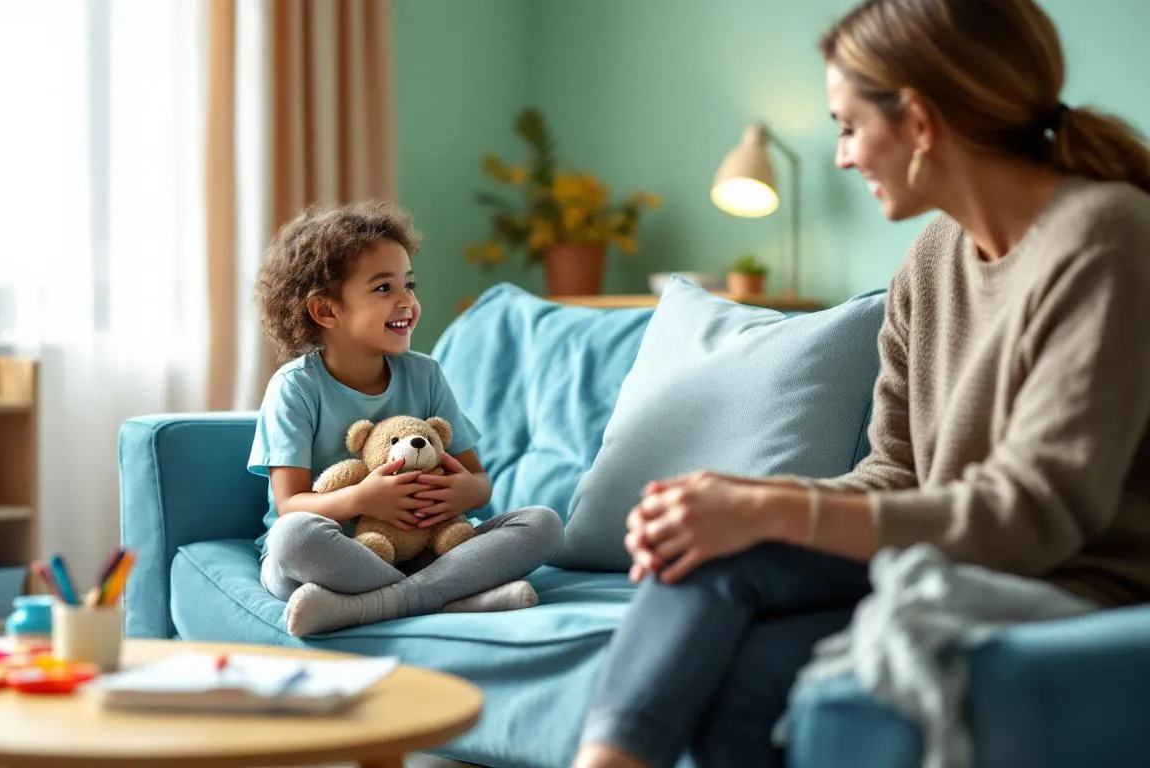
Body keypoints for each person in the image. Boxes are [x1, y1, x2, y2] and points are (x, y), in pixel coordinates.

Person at [572, 0, 1150, 765]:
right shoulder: (931, 256)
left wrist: (766, 506)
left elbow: (1033, 514)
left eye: (848, 126)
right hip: (941, 561)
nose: (843, 156)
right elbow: (894, 475)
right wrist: (724, 505)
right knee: (703, 557)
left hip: (1069, 588)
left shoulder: (1105, 235)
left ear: (915, 120)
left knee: (747, 667)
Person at [248, 201, 564, 638]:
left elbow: (479, 484)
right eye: (383, 289)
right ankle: (450, 599)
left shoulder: (425, 373)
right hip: (332, 557)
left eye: (409, 285)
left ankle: (382, 604)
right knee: (294, 539)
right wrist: (364, 500)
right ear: (325, 311)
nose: (407, 302)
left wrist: (458, 493)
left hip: (422, 551)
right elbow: (290, 506)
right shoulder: (295, 388)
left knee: (543, 523)